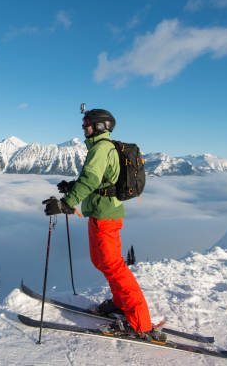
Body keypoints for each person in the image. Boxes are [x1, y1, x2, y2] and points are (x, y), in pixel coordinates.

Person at [42, 108, 165, 341]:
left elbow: (90, 179)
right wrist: (72, 187)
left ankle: (140, 322)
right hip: (100, 213)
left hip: (106, 216)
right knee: (101, 261)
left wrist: (67, 203)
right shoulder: (101, 148)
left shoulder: (100, 148)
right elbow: (99, 180)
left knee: (113, 266)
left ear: (100, 126)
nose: (83, 127)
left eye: (87, 123)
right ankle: (120, 304)